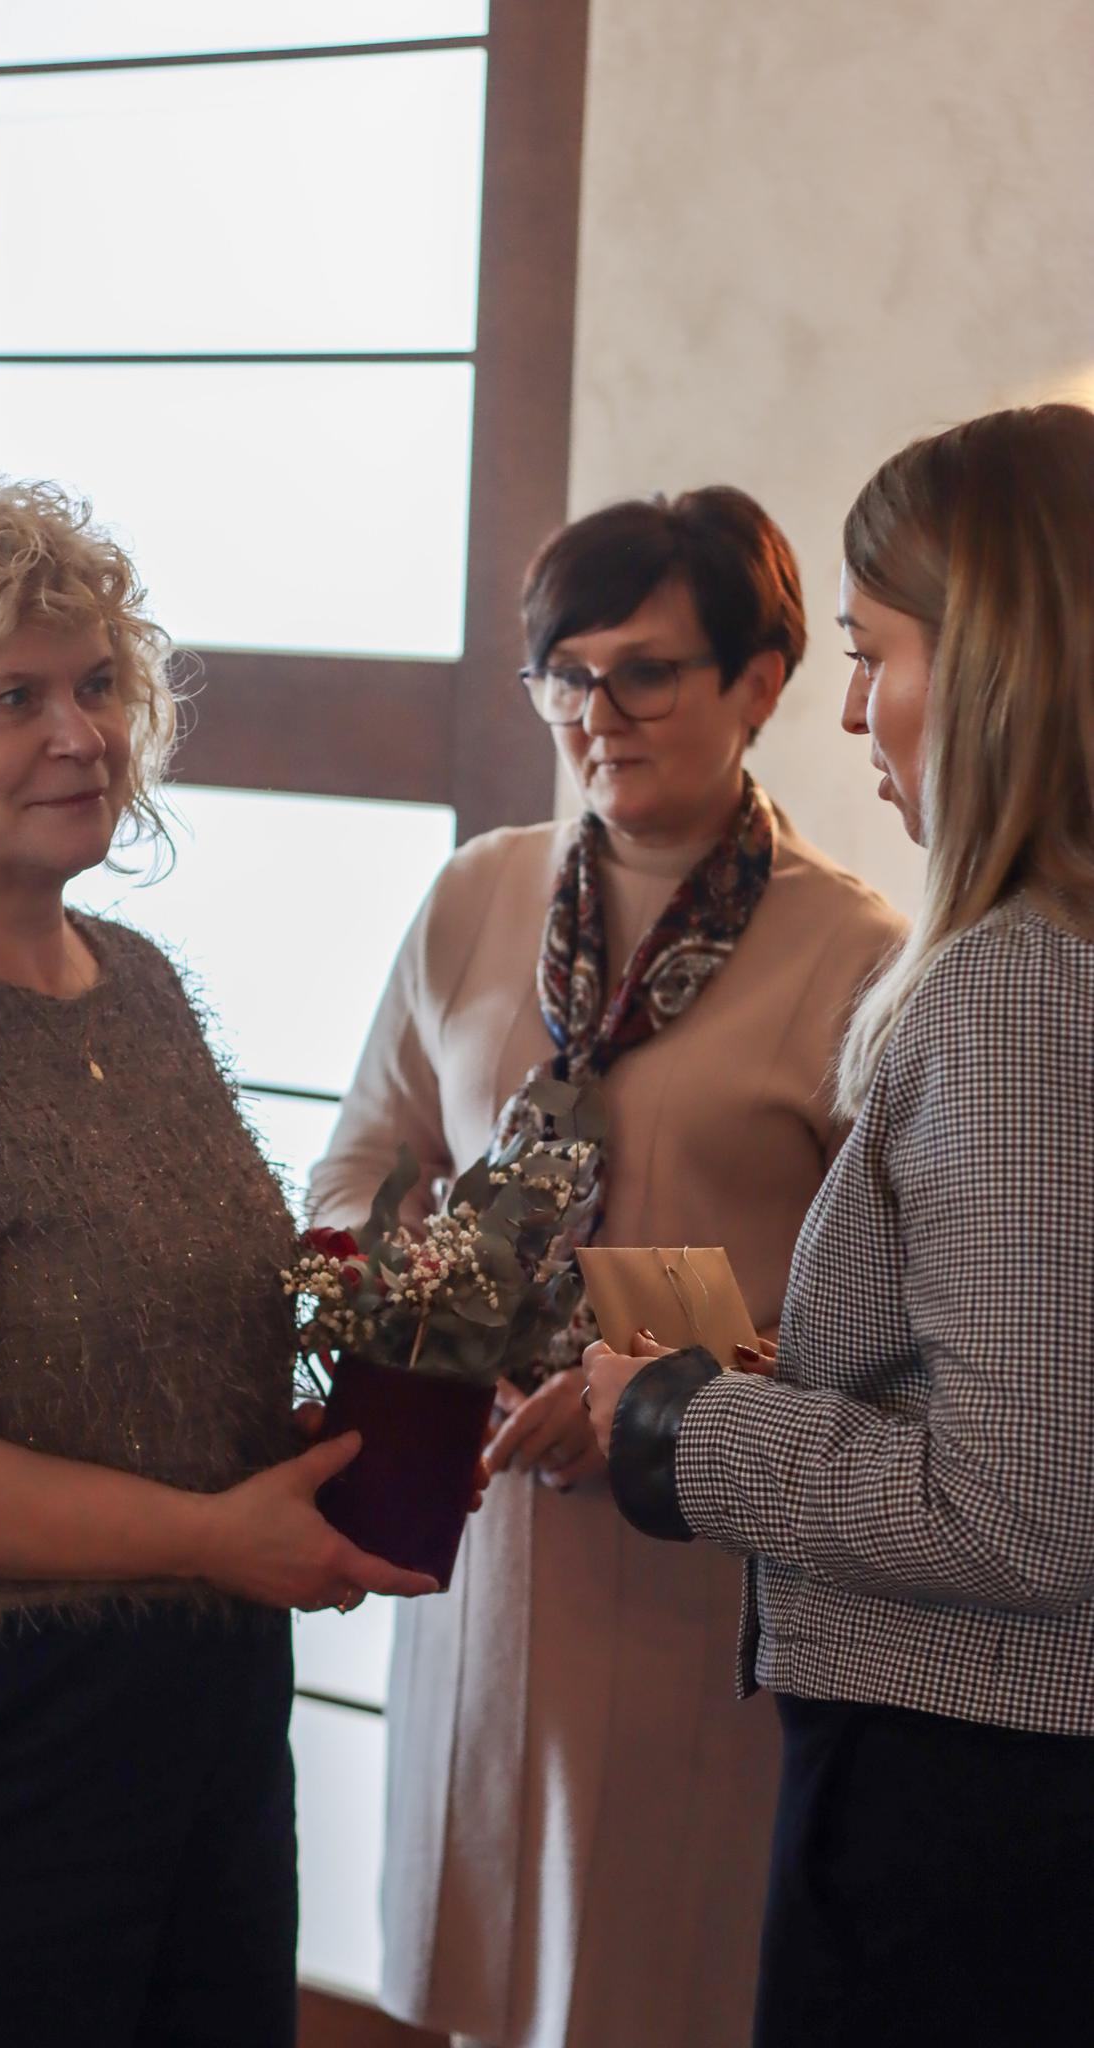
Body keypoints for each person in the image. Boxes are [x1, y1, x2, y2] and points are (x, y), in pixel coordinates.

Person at [0, 464, 435, 2048]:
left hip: (197, 1731)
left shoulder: (142, 987)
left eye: (99, 683)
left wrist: (361, 1428)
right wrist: (210, 1534)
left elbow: (175, 1337)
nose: (81, 733)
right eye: (14, 698)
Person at [308, 488, 904, 2048]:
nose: (595, 716)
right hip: (481, 1519)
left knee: (658, 1977)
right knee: (473, 1967)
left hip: (698, 1548)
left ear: (759, 680)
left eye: (643, 673)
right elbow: (358, 1172)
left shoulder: (855, 954)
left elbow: (886, 1324)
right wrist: (438, 1310)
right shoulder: (479, 893)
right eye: (563, 676)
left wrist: (648, 1375)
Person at [587, 403, 1094, 2048]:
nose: (856, 709)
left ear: (1004, 663)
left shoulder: (1009, 985)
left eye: (874, 654)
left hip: (978, 1784)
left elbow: (1015, 1514)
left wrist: (671, 1419)